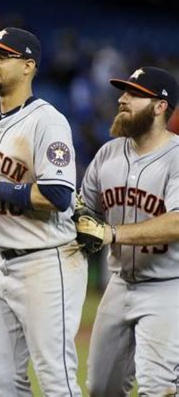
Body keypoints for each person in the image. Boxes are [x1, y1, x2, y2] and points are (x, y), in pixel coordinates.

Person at [0, 27, 88, 395]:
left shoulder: (46, 120)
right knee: (2, 380)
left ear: (28, 66)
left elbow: (58, 194)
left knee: (56, 379)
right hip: (3, 265)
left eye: (1, 56)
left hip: (46, 262)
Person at [81, 66, 179, 396]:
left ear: (160, 106)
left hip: (169, 286)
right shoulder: (107, 154)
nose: (122, 99)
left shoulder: (176, 157)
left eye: (135, 94)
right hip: (119, 284)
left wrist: (112, 233)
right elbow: (84, 214)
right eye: (124, 92)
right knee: (101, 388)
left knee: (158, 388)